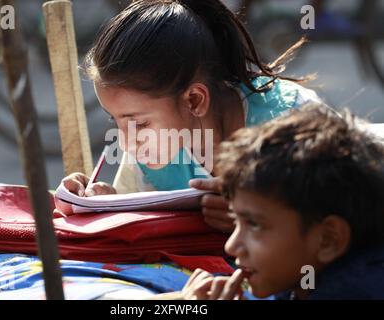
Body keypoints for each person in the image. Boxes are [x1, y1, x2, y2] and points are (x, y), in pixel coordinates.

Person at [63, 0, 321, 233]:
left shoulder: (293, 123)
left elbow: (342, 225)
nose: (126, 143)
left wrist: (259, 223)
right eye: (114, 120)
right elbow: (135, 213)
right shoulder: (150, 149)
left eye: (140, 123)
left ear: (194, 100)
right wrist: (107, 203)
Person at [182, 103, 384, 299]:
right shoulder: (306, 274)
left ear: (328, 240)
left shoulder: (352, 291)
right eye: (236, 221)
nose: (231, 246)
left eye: (254, 224)